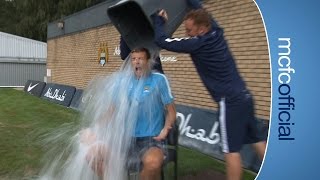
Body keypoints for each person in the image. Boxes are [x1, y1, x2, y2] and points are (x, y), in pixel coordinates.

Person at [152, 0, 266, 180]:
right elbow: (200, 7)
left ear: (201, 30)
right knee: (256, 140)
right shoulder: (216, 31)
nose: (186, 33)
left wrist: (159, 20)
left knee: (231, 151)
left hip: (230, 102)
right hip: (245, 96)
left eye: (189, 30)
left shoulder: (197, 43)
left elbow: (162, 40)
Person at [83, 47, 176, 180]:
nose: (137, 62)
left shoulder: (159, 80)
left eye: (140, 59)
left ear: (148, 61)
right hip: (125, 139)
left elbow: (172, 112)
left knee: (153, 164)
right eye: (133, 59)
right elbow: (111, 111)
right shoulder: (123, 82)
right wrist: (94, 129)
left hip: (151, 140)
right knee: (91, 155)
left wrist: (166, 128)